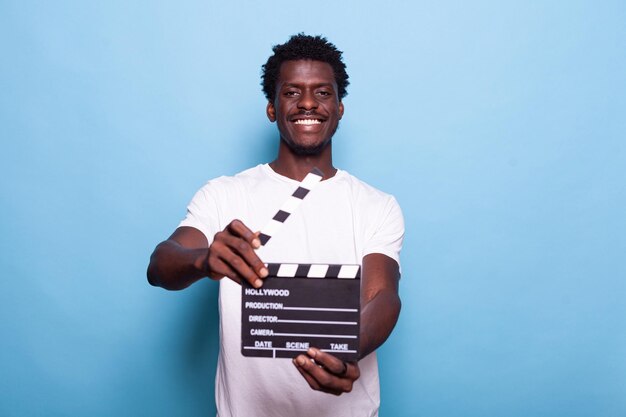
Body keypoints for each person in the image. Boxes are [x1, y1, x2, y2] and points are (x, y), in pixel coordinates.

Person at [147, 34, 404, 417]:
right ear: (271, 107)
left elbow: (382, 296)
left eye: (322, 92)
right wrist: (204, 260)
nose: (307, 103)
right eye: (291, 92)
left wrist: (349, 350)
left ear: (339, 107)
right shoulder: (224, 194)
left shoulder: (376, 204)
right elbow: (161, 264)